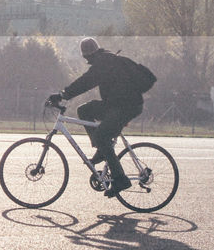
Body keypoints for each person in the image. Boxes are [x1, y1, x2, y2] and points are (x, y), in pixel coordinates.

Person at [47, 37, 145, 198]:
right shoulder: (103, 60)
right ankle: (101, 149)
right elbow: (87, 81)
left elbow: (86, 82)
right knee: (84, 110)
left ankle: (120, 179)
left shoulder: (103, 63)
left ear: (86, 56)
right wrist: (64, 94)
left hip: (126, 106)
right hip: (118, 103)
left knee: (101, 136)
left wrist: (63, 94)